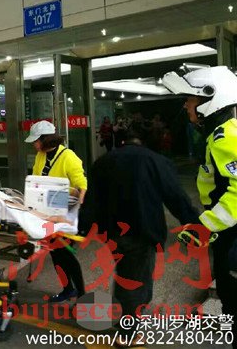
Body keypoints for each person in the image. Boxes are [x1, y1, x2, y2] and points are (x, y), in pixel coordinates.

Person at [79, 128, 200, 347]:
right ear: (143, 141)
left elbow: (92, 201)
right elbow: (176, 197)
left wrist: (82, 229)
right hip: (142, 232)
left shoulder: (104, 161)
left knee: (127, 275)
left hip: (112, 233)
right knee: (136, 282)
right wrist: (194, 224)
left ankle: (126, 319)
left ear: (122, 141)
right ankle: (127, 334)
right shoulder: (156, 161)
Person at [163, 65, 237, 347]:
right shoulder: (222, 132)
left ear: (210, 98)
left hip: (232, 232)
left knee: (232, 294)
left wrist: (204, 226)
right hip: (228, 229)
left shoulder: (225, 136)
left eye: (190, 99)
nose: (186, 105)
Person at [25, 120, 87, 303]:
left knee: (65, 253)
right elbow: (36, 178)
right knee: (55, 252)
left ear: (46, 139)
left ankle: (81, 294)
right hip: (46, 209)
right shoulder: (40, 155)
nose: (34, 144)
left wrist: (74, 206)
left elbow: (81, 185)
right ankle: (68, 289)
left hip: (65, 210)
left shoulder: (68, 156)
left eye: (36, 141)